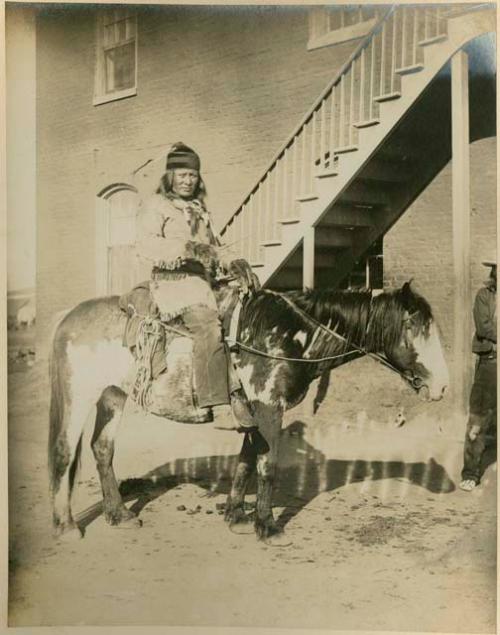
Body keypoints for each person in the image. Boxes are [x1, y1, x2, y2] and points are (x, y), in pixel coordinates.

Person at [134, 142, 256, 429]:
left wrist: (235, 261)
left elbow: (215, 246)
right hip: (174, 284)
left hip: (205, 283)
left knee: (248, 314)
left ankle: (246, 389)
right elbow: (145, 244)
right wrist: (187, 248)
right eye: (182, 174)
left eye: (193, 175)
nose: (188, 181)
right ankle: (218, 404)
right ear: (170, 176)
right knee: (208, 327)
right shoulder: (156, 205)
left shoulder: (199, 209)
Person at [460, 258, 497, 491]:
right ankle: (471, 472)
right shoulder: (484, 296)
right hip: (491, 363)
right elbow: (484, 327)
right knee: (479, 417)